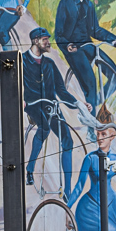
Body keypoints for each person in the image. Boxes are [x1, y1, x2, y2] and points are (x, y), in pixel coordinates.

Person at [54, 0, 116, 114]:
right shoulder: (65, 3)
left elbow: (95, 30)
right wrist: (67, 45)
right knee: (90, 83)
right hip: (72, 49)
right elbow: (58, 34)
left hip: (87, 45)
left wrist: (114, 41)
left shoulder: (89, 5)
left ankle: (96, 101)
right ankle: (92, 124)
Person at [22, 26, 84, 196]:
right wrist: (21, 101)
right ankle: (30, 169)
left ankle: (67, 190)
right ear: (35, 41)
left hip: (50, 105)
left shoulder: (49, 63)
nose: (48, 42)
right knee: (45, 128)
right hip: (33, 104)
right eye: (45, 40)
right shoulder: (22, 61)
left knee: (68, 140)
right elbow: (14, 86)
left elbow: (61, 91)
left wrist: (77, 104)